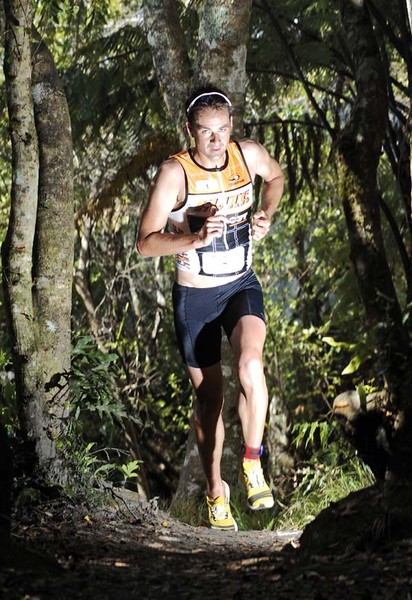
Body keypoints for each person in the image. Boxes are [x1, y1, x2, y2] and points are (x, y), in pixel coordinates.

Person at [137, 85, 284, 531]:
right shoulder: (174, 174)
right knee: (210, 400)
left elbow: (275, 178)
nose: (216, 142)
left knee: (251, 364)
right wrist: (192, 239)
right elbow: (145, 243)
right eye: (206, 133)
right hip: (196, 298)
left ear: (232, 126)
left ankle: (253, 464)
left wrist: (267, 212)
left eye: (222, 130)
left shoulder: (248, 155)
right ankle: (216, 491)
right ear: (190, 131)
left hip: (240, 284)